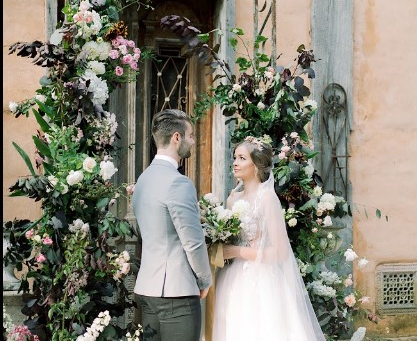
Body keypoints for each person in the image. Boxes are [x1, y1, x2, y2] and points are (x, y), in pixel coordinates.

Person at [212, 136, 326, 341]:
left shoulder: (266, 198)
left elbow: (280, 252)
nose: (235, 163)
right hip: (231, 278)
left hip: (260, 278)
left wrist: (237, 251)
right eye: (235, 157)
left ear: (256, 165)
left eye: (242, 158)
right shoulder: (232, 199)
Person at [133, 109, 212, 341]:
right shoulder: (178, 183)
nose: (193, 141)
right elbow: (193, 242)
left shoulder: (143, 180)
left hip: (147, 289)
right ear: (177, 137)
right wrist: (204, 280)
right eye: (191, 135)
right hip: (176, 293)